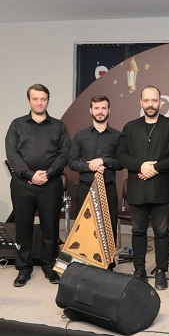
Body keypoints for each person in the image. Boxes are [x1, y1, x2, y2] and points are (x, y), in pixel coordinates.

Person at [5, 83, 70, 287]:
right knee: (23, 227)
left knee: (50, 227)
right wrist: (30, 175)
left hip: (51, 184)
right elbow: (11, 153)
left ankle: (49, 266)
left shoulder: (59, 126)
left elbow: (64, 154)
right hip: (22, 184)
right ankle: (23, 269)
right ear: (29, 101)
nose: (39, 102)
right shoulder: (16, 125)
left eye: (43, 99)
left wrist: (48, 174)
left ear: (48, 100)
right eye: (35, 99)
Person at [117, 85, 169, 290]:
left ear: (160, 102)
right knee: (138, 231)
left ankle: (161, 271)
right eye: (147, 100)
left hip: (162, 189)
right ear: (141, 102)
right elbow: (121, 155)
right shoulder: (130, 127)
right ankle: (139, 270)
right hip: (138, 189)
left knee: (161, 231)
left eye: (154, 100)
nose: (150, 104)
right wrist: (141, 166)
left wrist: (155, 167)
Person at [68, 95, 122, 266]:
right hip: (85, 188)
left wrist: (103, 161)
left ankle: (108, 262)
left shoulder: (117, 136)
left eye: (104, 108)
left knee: (108, 227)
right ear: (90, 110)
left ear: (109, 110)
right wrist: (89, 166)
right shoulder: (80, 136)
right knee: (84, 228)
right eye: (97, 108)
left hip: (108, 188)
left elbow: (121, 163)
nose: (100, 112)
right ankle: (84, 263)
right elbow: (71, 162)